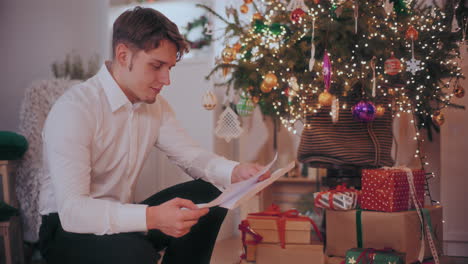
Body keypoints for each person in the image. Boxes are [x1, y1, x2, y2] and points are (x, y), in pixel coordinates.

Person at [38, 6, 269, 264]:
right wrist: (153, 217)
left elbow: (191, 157)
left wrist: (236, 172)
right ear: (123, 55)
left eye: (169, 67)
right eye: (157, 66)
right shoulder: (75, 109)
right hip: (67, 229)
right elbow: (73, 212)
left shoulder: (155, 107)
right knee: (137, 255)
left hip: (124, 218)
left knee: (208, 198)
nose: (166, 79)